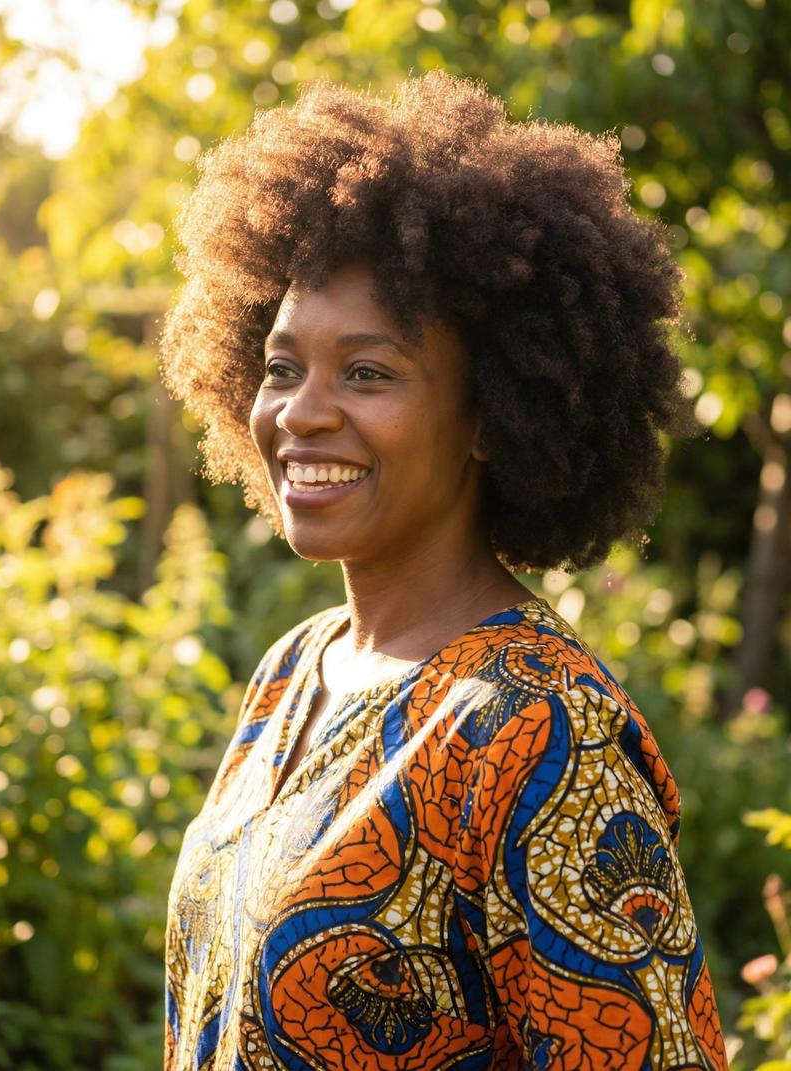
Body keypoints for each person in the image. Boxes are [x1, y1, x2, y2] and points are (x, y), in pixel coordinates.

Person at [158, 70, 728, 1070]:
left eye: (368, 372)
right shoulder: (295, 670)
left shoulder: (540, 734)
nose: (299, 413)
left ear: (486, 416)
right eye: (282, 367)